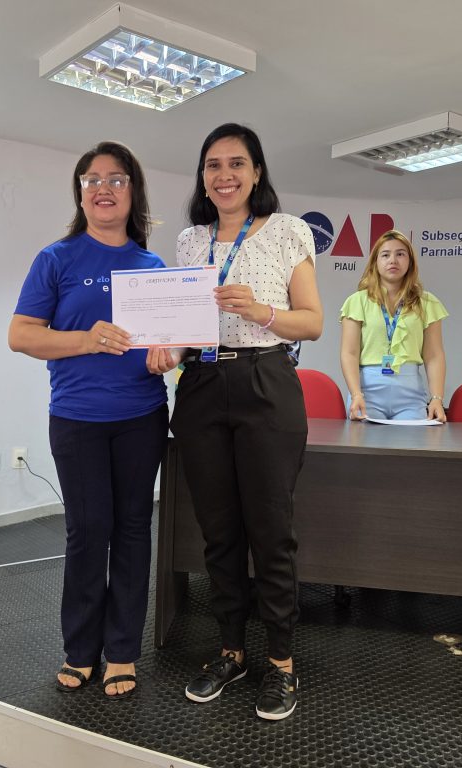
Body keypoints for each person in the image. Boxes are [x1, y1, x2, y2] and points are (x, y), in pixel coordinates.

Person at [147, 123, 323, 721]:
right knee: (218, 531)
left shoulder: (288, 230)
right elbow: (185, 327)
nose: (224, 175)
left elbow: (312, 322)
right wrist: (166, 350)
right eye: (213, 165)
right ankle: (231, 651)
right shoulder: (190, 242)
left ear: (256, 172)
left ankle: (281, 662)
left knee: (270, 530)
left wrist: (263, 310)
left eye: (236, 163)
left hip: (265, 380)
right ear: (203, 177)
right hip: (200, 385)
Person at [8, 141, 168, 699]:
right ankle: (80, 650)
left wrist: (168, 354)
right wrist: (86, 339)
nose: (104, 188)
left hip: (142, 416)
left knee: (132, 529)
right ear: (80, 194)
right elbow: (21, 335)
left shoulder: (152, 268)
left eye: (116, 179)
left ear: (132, 191)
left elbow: (171, 343)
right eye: (92, 180)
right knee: (87, 531)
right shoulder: (56, 259)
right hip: (77, 419)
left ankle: (122, 651)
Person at [339, 230, 448, 422]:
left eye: (400, 254)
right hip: (367, 394)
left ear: (410, 261)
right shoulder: (357, 301)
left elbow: (434, 356)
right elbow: (349, 353)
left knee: (410, 442)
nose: (393, 260)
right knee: (364, 440)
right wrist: (356, 394)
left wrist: (437, 399)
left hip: (410, 395)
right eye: (385, 255)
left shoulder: (427, 302)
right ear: (375, 262)